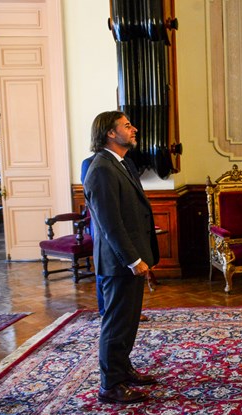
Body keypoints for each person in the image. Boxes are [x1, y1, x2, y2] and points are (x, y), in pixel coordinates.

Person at [84, 111, 160, 404]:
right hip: (118, 263)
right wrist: (132, 260)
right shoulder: (101, 169)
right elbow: (110, 223)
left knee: (127, 322)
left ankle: (123, 369)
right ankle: (110, 386)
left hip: (129, 259)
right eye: (127, 126)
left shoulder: (122, 163)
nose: (134, 129)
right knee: (116, 323)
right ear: (109, 134)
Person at [81, 155, 150, 322]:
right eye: (126, 126)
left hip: (124, 226)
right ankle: (106, 310)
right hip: (103, 227)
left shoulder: (127, 162)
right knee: (106, 269)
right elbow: (95, 201)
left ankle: (130, 311)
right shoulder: (92, 164)